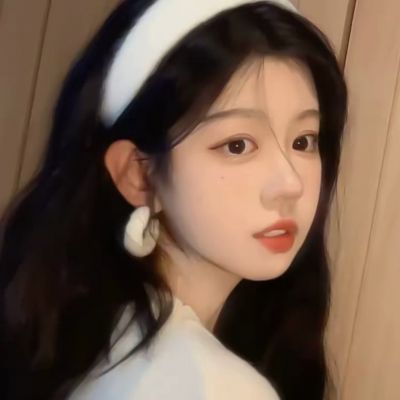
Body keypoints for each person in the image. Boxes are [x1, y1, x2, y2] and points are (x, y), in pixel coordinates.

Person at [0, 0, 348, 399]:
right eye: (237, 145)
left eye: (304, 141)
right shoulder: (212, 386)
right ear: (138, 174)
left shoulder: (84, 342)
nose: (290, 184)